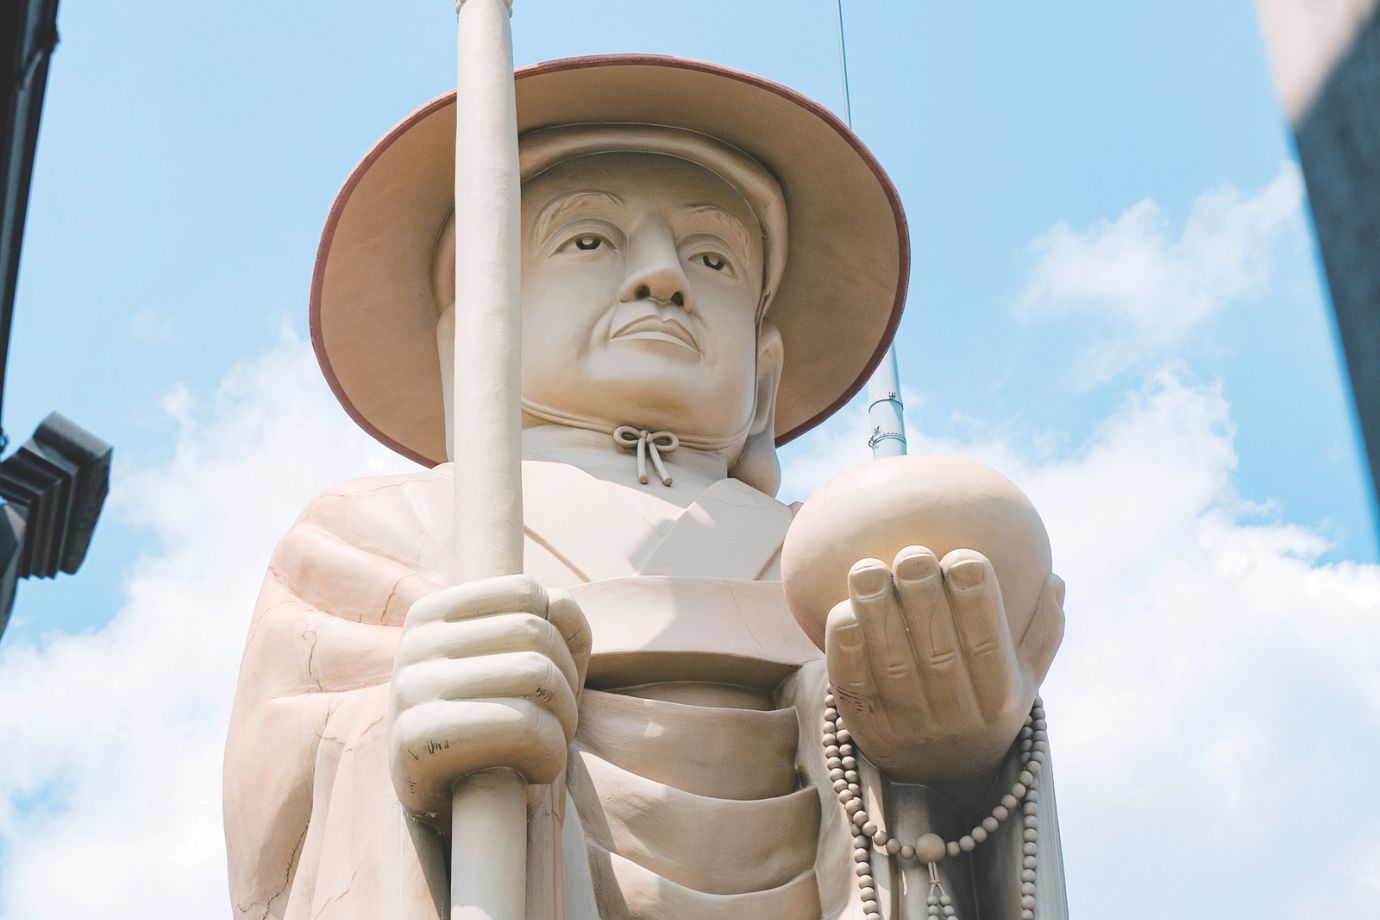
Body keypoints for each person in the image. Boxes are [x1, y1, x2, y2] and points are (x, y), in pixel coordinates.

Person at [223, 55, 1067, 919]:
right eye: (588, 240)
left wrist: (957, 768)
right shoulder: (376, 534)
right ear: (471, 337)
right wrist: (403, 732)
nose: (662, 279)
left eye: (713, 259)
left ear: (764, 372)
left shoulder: (836, 560)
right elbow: (274, 837)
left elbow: (960, 832)